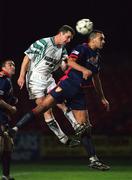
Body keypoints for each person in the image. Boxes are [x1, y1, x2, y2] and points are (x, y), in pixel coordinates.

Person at [9, 30, 110, 170]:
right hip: (66, 85)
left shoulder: (96, 56)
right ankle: (15, 128)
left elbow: (95, 78)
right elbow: (70, 61)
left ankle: (93, 160)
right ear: (93, 39)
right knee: (43, 107)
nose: (104, 41)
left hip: (79, 92)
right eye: (101, 38)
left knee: (86, 127)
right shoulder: (81, 48)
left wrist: (102, 97)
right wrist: (83, 70)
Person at [16, 24, 82, 147]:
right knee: (46, 109)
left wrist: (69, 64)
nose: (68, 41)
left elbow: (64, 67)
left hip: (48, 77)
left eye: (70, 39)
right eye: (67, 37)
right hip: (35, 78)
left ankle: (77, 126)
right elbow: (27, 58)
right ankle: (63, 138)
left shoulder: (62, 49)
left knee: (61, 101)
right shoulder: (43, 42)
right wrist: (21, 75)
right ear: (61, 33)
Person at [0, 59, 17, 180]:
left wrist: (13, 100)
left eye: (14, 65)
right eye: (10, 65)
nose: (13, 66)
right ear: (3, 67)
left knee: (7, 147)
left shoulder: (8, 80)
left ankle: (6, 175)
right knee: (1, 146)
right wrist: (11, 108)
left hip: (4, 118)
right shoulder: (2, 79)